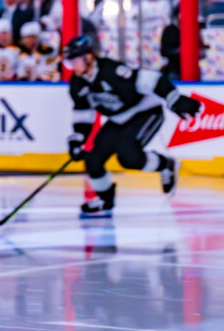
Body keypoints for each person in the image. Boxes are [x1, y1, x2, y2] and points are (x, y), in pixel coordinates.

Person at [63, 35, 201, 216]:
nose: (72, 66)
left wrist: (174, 100)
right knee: (93, 161)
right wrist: (78, 139)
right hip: (119, 119)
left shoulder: (112, 71)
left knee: (128, 157)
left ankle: (166, 164)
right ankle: (105, 199)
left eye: (75, 60)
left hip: (145, 112)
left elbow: (153, 79)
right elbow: (83, 111)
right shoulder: (77, 82)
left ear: (88, 57)